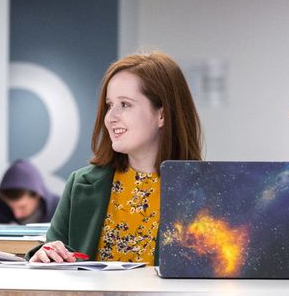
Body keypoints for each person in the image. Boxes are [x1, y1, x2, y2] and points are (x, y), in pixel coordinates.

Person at [28, 52, 203, 265]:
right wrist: (44, 255)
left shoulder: (204, 190)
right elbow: (54, 256)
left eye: (125, 104)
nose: (110, 117)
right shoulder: (80, 184)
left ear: (162, 115)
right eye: (109, 105)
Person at [0, 159, 59, 225]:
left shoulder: (62, 211)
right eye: (10, 207)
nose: (17, 215)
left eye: (22, 207)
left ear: (37, 195)